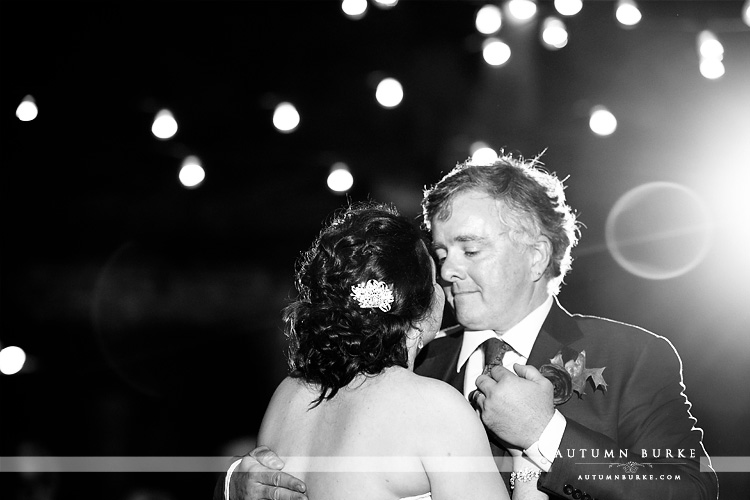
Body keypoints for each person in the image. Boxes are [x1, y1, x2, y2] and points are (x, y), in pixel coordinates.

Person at [221, 154, 718, 500]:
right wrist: (242, 482)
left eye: (470, 250)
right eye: (439, 254)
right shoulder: (408, 364)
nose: (446, 271)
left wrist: (548, 435)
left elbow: (691, 492)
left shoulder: (634, 355)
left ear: (536, 255)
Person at [231, 203, 527, 500]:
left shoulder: (288, 396)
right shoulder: (435, 409)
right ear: (424, 307)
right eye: (434, 275)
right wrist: (529, 467)